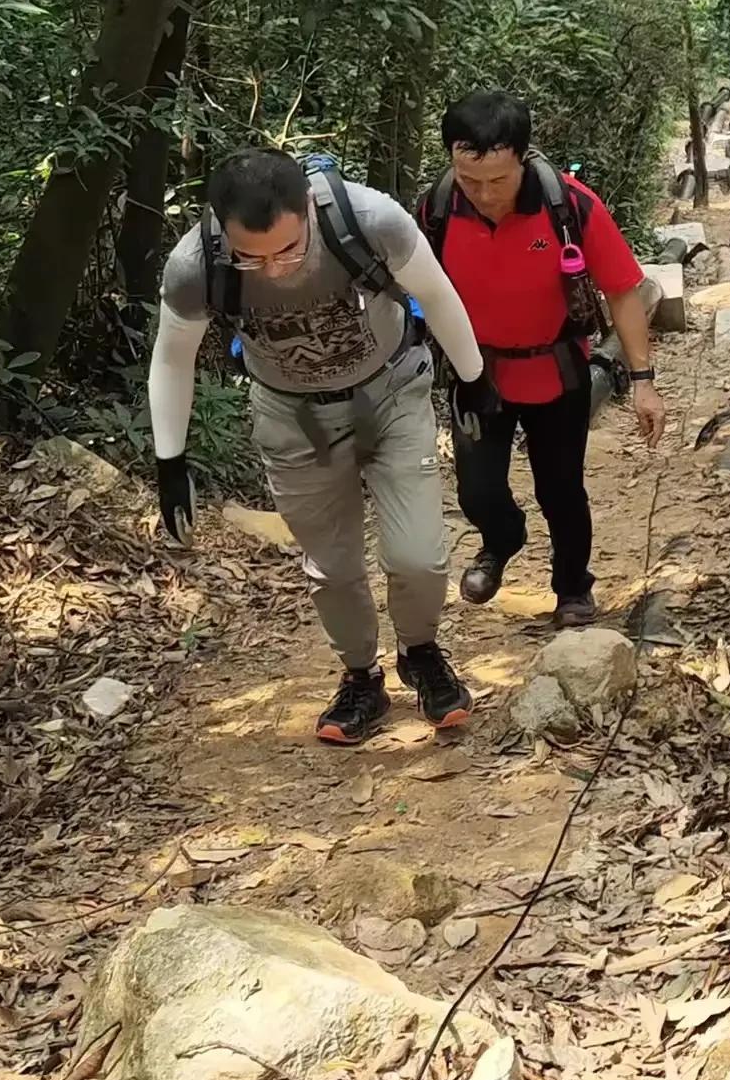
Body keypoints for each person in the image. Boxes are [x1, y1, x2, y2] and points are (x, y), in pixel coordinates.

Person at [148, 147, 487, 745]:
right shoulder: (195, 266)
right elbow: (172, 359)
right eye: (253, 255)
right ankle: (361, 678)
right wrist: (169, 460)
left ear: (308, 204)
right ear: (223, 228)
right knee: (332, 568)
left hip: (391, 393)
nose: (275, 268)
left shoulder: (369, 219)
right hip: (290, 415)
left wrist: (473, 378)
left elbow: (435, 294)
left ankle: (421, 651)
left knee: (418, 556)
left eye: (288, 249)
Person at [417, 91, 665, 629]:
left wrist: (643, 380)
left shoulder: (569, 206)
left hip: (555, 371)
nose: (483, 194)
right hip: (475, 371)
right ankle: (501, 540)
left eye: (497, 181)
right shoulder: (436, 209)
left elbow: (624, 291)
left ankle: (573, 587)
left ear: (523, 159)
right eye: (469, 179)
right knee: (477, 489)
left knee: (560, 487)